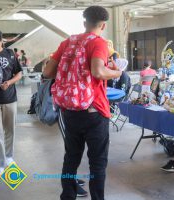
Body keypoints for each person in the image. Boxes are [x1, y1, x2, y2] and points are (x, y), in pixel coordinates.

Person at [43, 6, 122, 200]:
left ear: (84, 22)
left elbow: (47, 73)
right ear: (103, 25)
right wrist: (117, 72)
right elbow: (98, 72)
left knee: (71, 157)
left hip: (70, 110)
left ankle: (68, 196)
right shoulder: (99, 43)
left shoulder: (67, 42)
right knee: (97, 162)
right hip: (94, 111)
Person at [0, 28, 23, 178]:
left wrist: (9, 82)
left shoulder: (10, 54)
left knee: (10, 130)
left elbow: (19, 73)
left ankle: (9, 157)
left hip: (10, 98)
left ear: (2, 42)